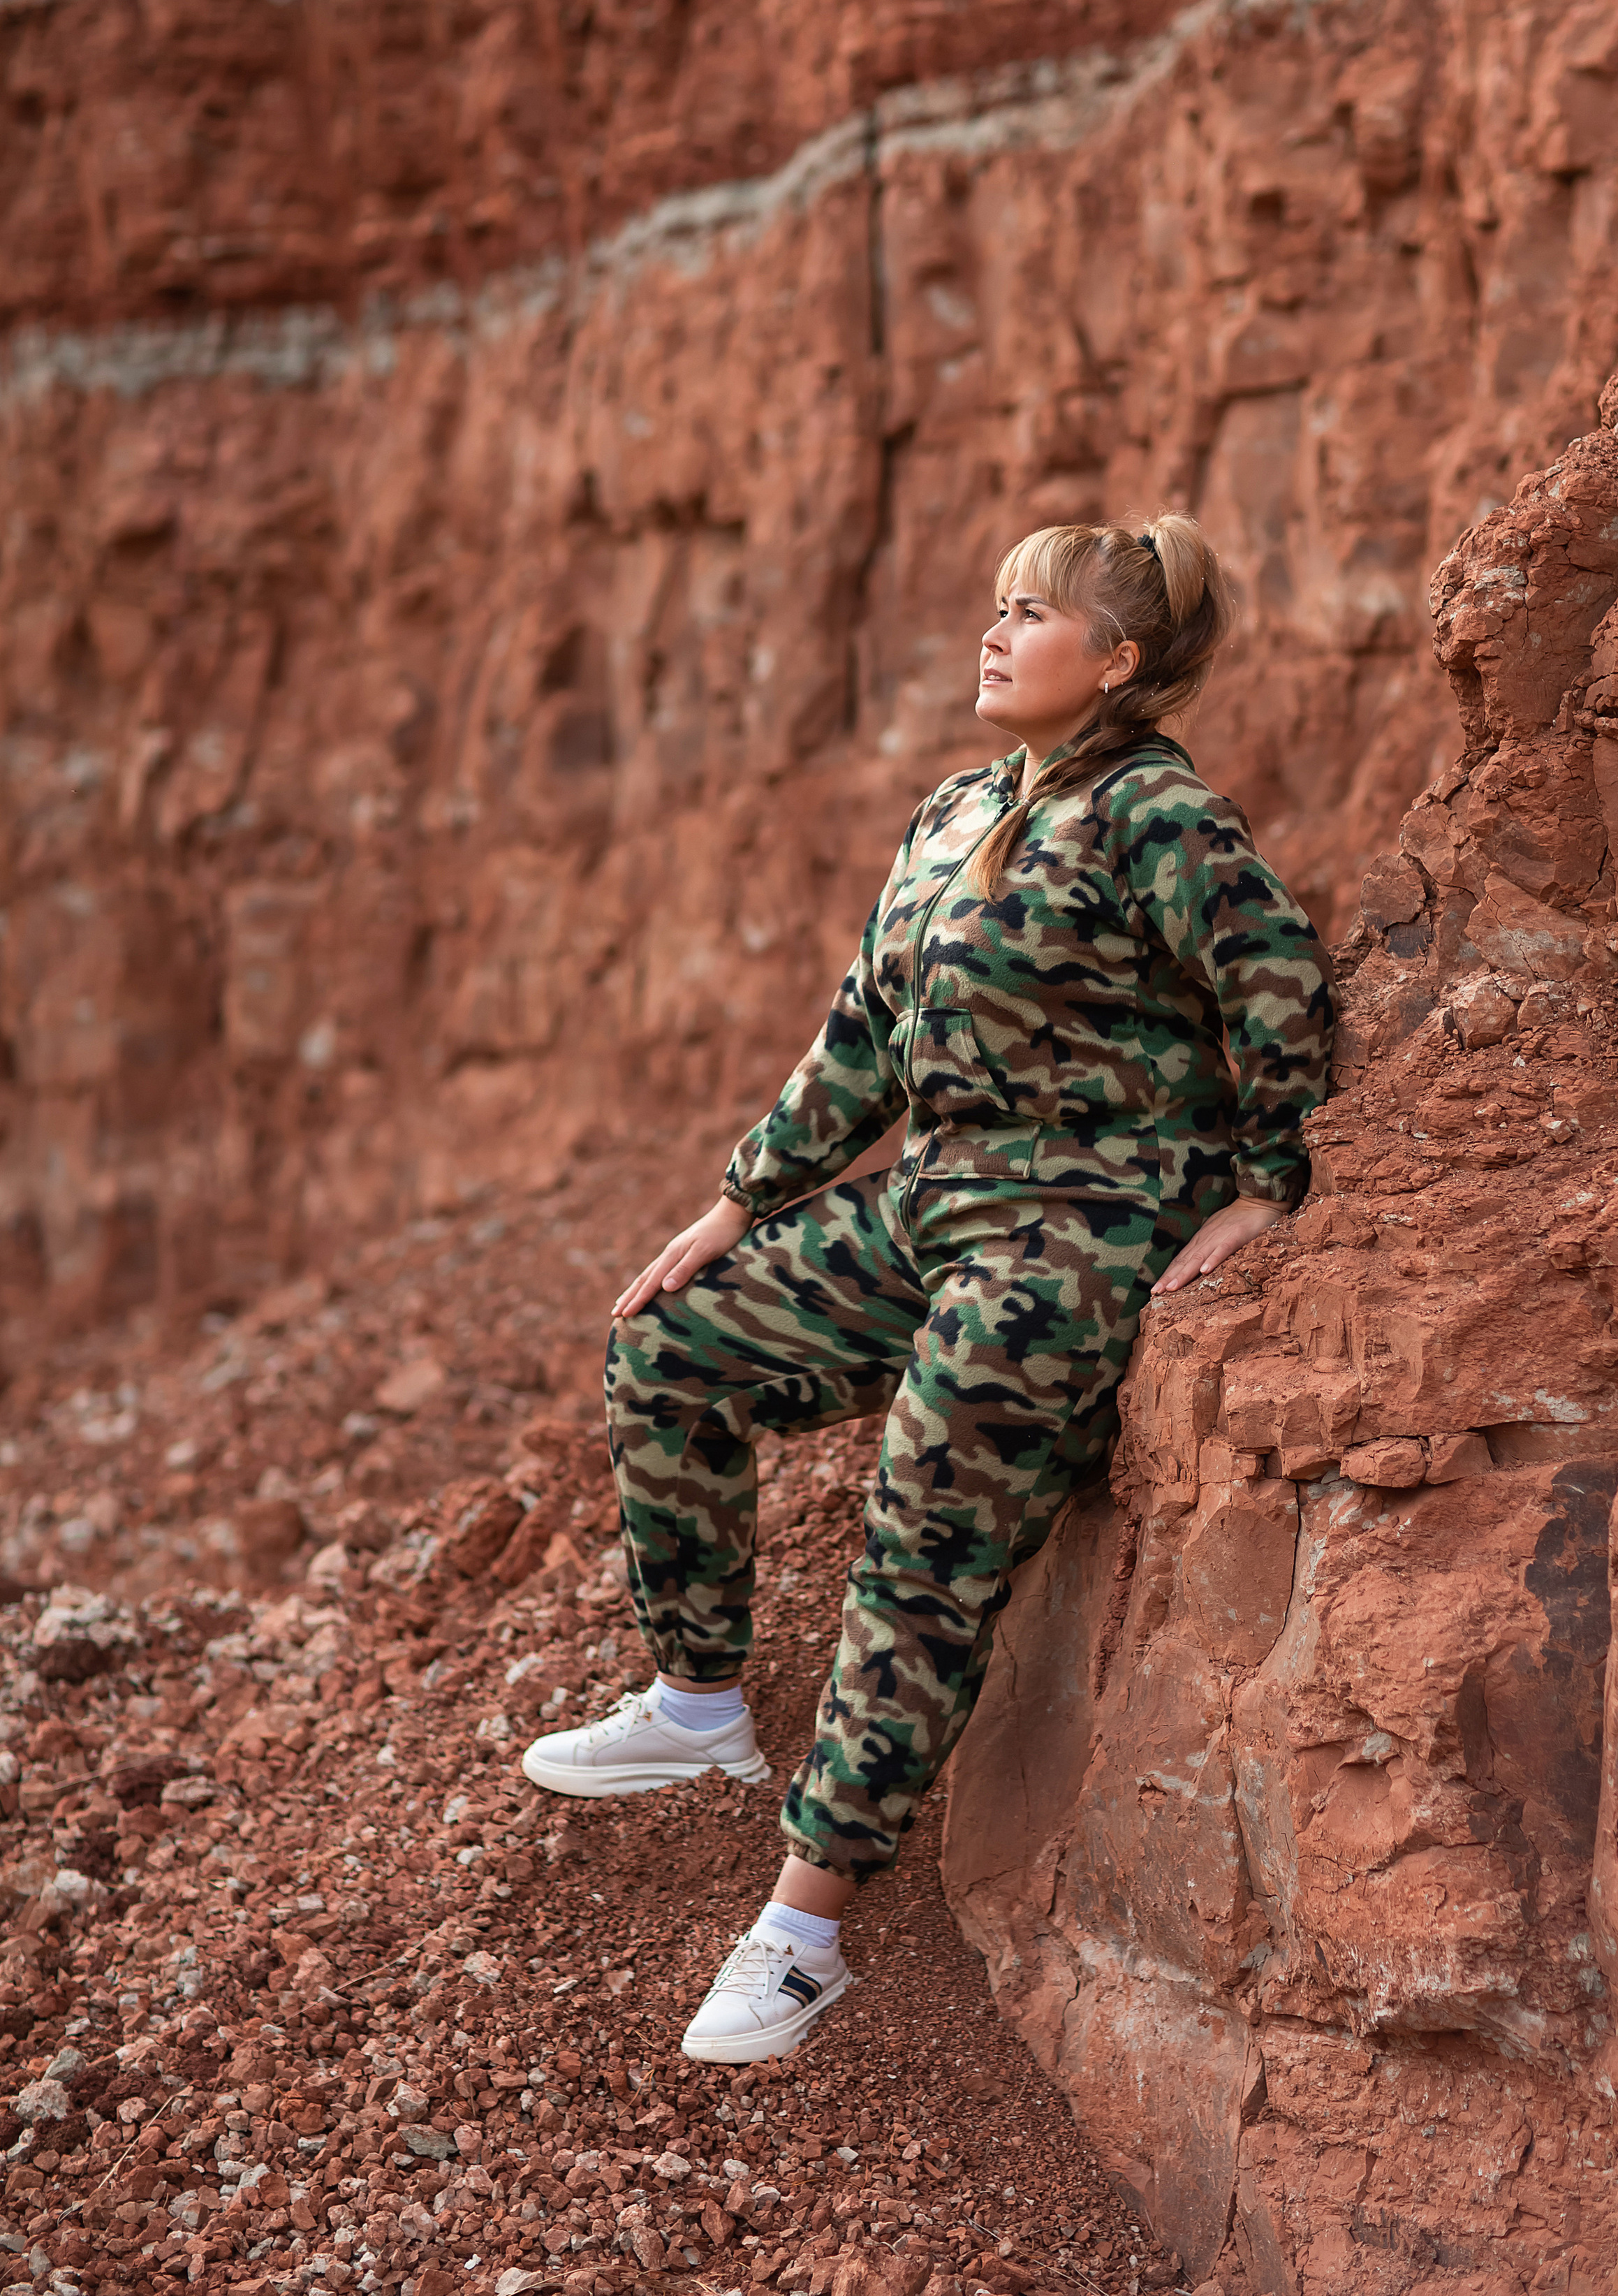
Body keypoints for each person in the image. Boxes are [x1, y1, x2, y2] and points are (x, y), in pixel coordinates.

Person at [522, 514, 1332, 2063]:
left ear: (1115, 662)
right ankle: (697, 1707)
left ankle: (804, 1929)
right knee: (673, 1346)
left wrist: (1258, 1188)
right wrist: (735, 1202)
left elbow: (1277, 985)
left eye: (1030, 614)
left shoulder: (1157, 815)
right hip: (931, 1204)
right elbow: (860, 1041)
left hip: (1072, 1236)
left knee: (919, 1530)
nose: (993, 630)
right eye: (994, 604)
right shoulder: (955, 809)